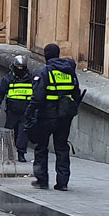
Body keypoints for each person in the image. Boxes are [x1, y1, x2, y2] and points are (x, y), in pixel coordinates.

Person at [25, 43, 82, 191]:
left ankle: (42, 180)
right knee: (62, 148)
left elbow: (37, 97)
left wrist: (29, 113)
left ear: (46, 55)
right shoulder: (69, 72)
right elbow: (76, 93)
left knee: (41, 148)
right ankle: (62, 183)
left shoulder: (44, 72)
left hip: (46, 116)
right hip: (64, 116)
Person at [0, 55, 33, 163]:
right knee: (9, 132)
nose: (20, 70)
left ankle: (21, 153)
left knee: (23, 132)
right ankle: (10, 153)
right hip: (12, 111)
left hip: (26, 110)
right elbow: (0, 93)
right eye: (18, 68)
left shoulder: (30, 79)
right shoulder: (7, 79)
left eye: (22, 68)